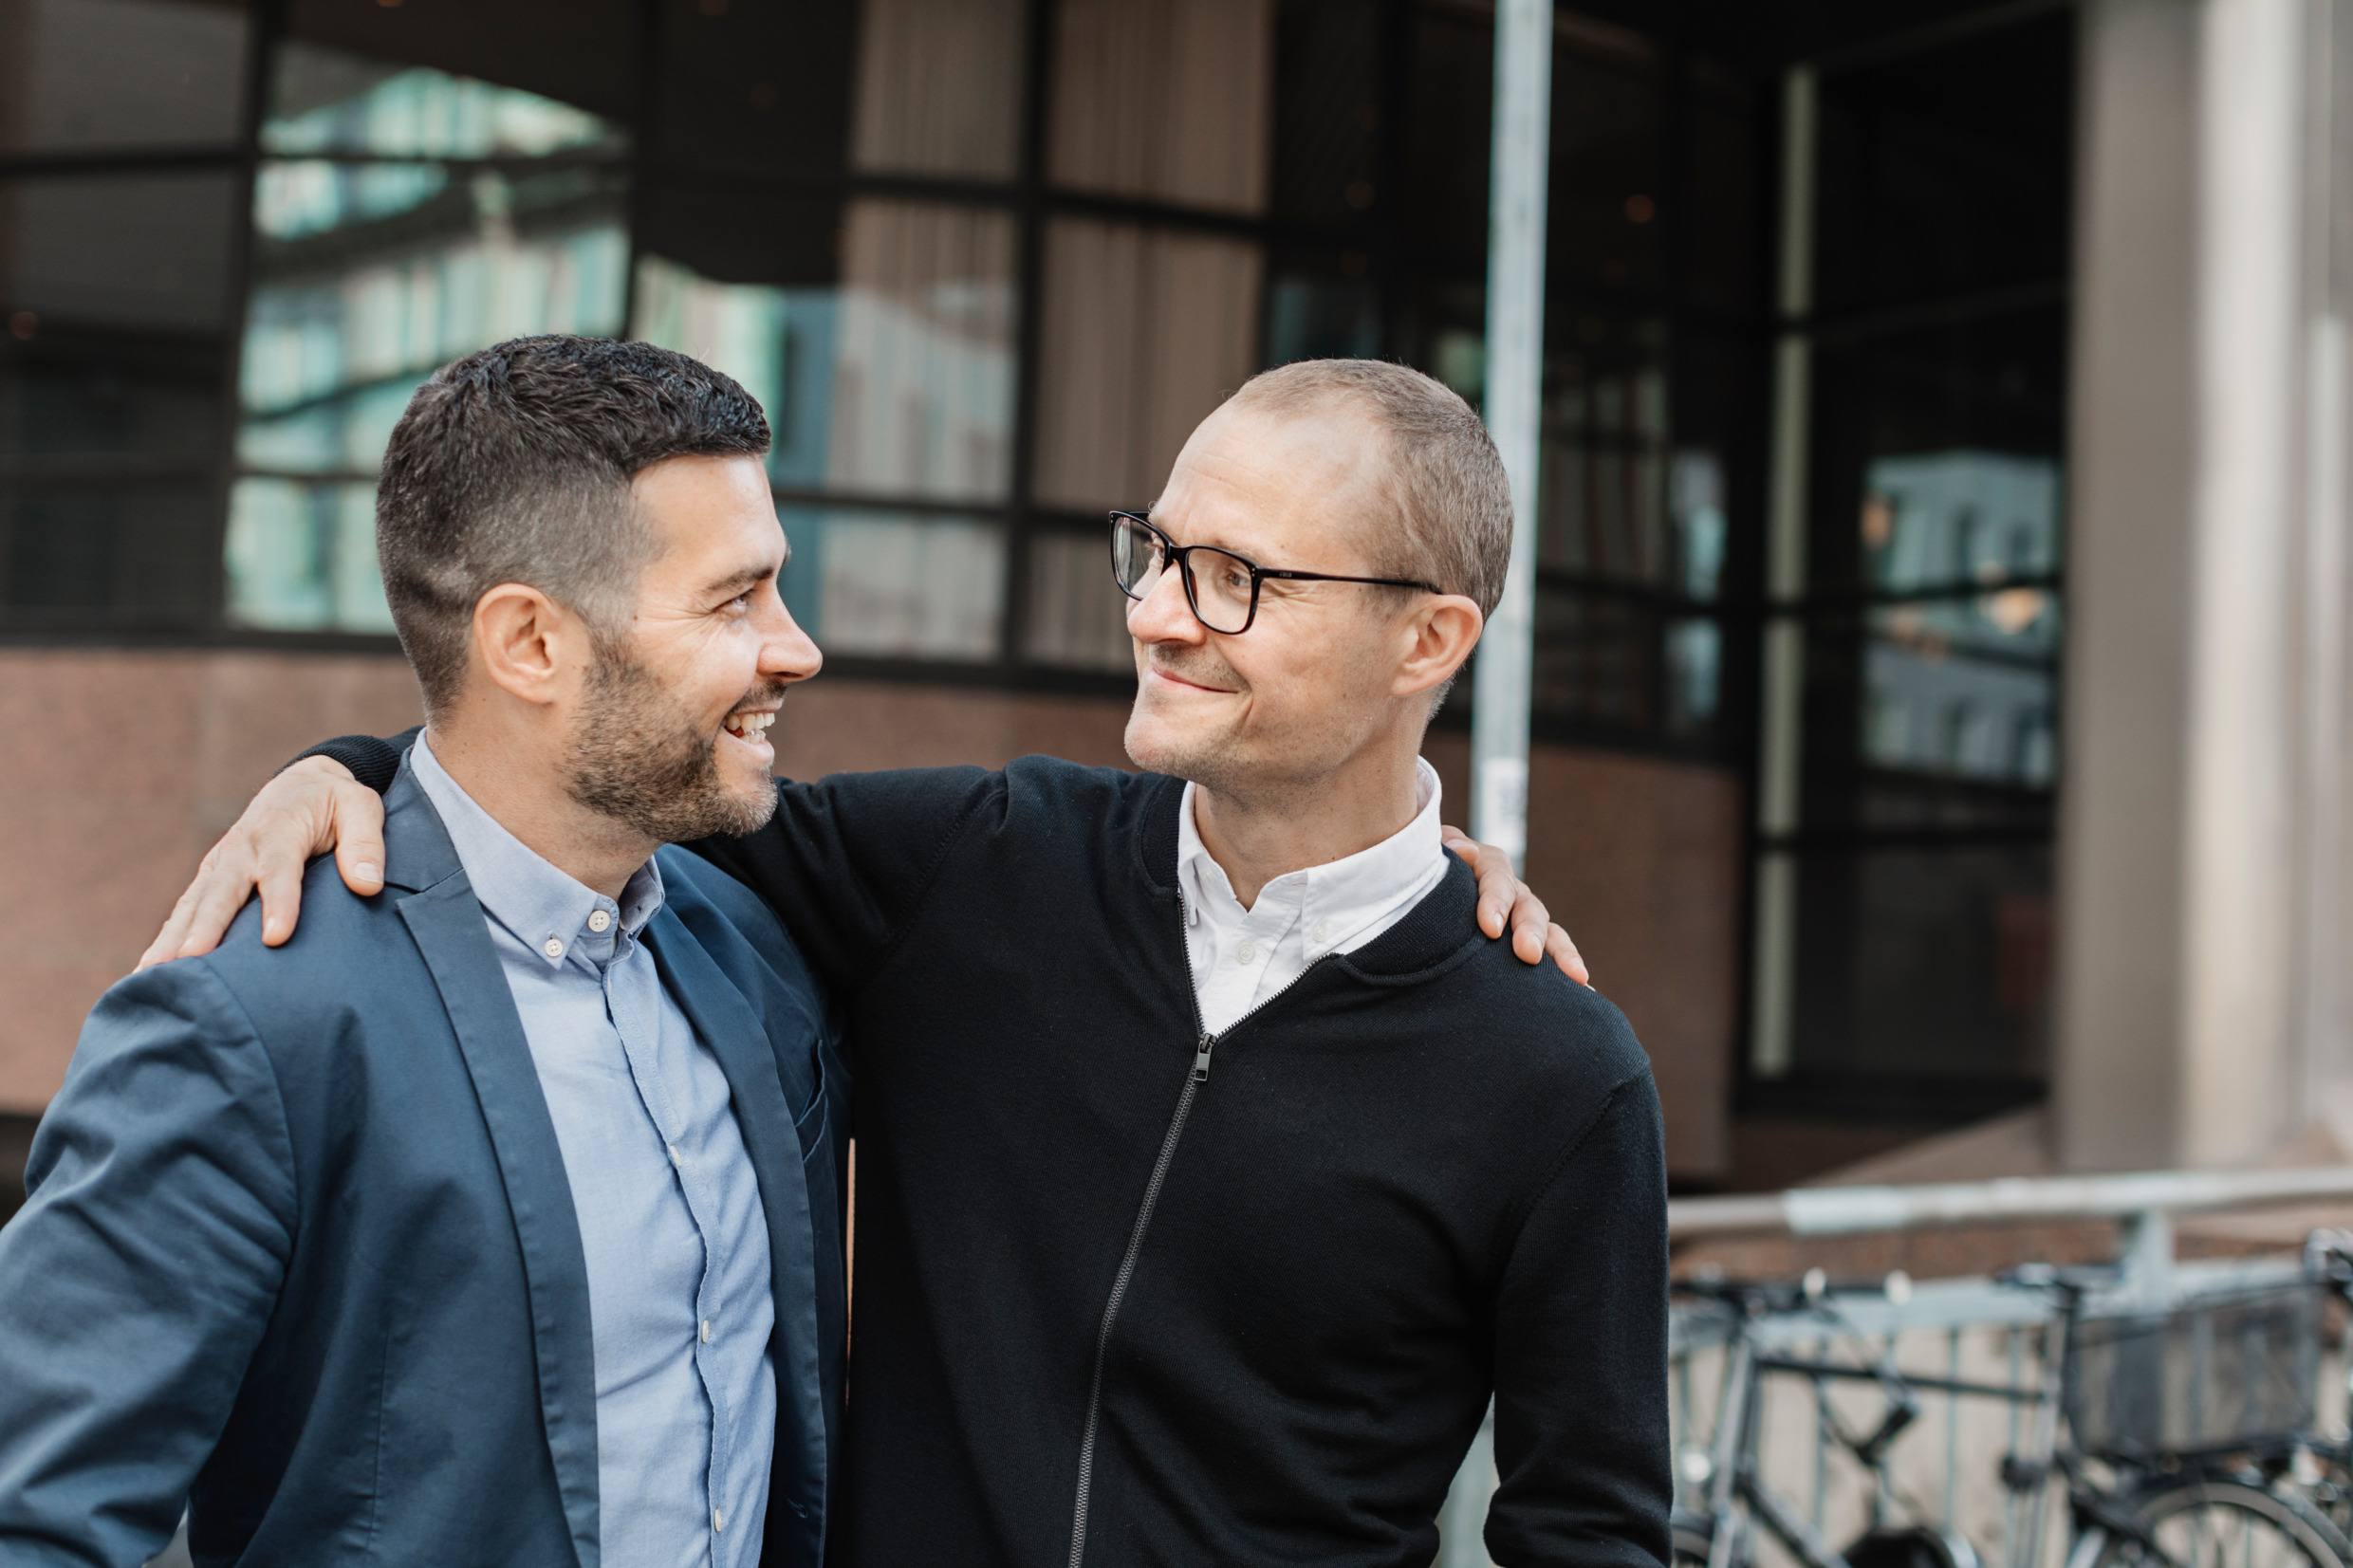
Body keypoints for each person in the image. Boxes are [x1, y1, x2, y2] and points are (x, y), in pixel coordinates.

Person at [157, 357, 1668, 1568]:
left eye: (1238, 580)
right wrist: (340, 768)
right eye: (1156, 552)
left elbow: (1588, 1531)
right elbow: (577, 775)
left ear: (1430, 642)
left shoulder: (1554, 1071)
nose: (1157, 614)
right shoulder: (975, 864)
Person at [0, 339, 849, 1566]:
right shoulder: (249, 1028)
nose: (796, 645)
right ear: (531, 644)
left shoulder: (748, 955)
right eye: (736, 598)